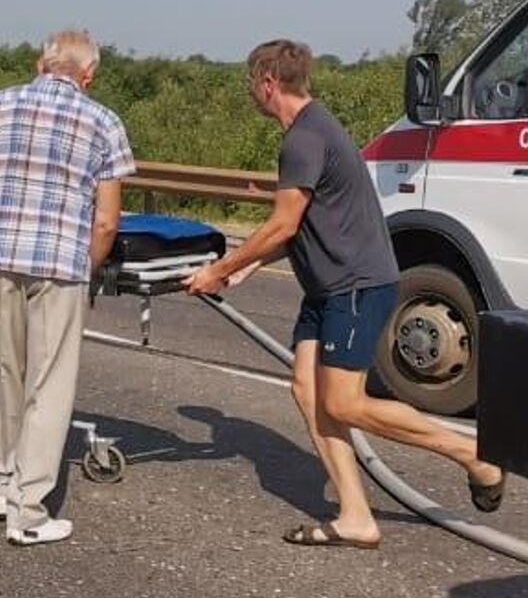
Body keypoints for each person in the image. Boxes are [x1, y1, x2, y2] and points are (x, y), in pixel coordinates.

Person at [185, 39, 506, 548]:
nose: (252, 93)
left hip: (354, 286)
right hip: (329, 285)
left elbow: (283, 221)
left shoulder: (303, 139)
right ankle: (356, 516)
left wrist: (221, 267)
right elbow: (311, 225)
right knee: (308, 393)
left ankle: (473, 455)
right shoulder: (312, 128)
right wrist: (247, 268)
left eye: (252, 84)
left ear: (268, 82)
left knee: (346, 403)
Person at [0, 30, 133, 547]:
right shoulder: (104, 121)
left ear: (40, 64)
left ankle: (2, 485)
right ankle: (29, 511)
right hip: (57, 263)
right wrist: (88, 270)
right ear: (88, 75)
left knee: (0, 372)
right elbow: (106, 221)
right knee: (47, 385)